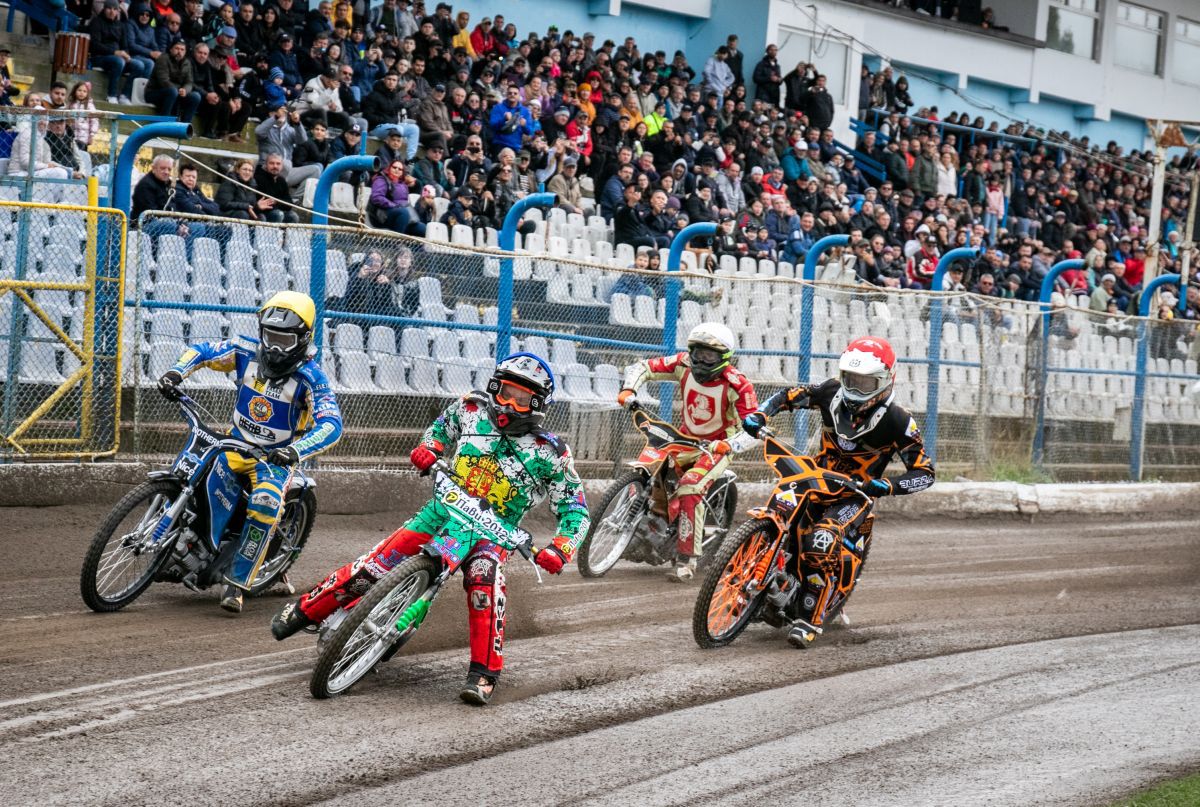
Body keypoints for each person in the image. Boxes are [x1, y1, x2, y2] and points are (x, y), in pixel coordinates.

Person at [270, 353, 590, 706]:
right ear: (494, 387)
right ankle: (304, 610)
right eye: (506, 392)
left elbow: (575, 508)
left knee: (485, 586)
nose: (510, 404)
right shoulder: (470, 408)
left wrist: (561, 548)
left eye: (523, 398)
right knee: (375, 565)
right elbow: (439, 429)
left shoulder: (551, 453)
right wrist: (428, 447)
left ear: (539, 405)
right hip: (442, 510)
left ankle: (484, 674)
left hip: (492, 535)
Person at [742, 336, 935, 648]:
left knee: (821, 540)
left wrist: (888, 486)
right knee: (778, 511)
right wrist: (761, 413)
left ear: (885, 381)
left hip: (855, 494)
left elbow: (925, 473)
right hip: (814, 477)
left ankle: (809, 617)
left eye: (864, 382)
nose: (855, 389)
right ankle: (753, 579)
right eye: (850, 379)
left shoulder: (899, 420)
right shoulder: (831, 391)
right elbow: (788, 396)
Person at [156, 291, 343, 613]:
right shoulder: (244, 352)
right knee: (191, 477)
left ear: (303, 338)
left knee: (265, 504)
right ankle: (181, 548)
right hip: (234, 444)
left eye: (283, 340)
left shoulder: (311, 378)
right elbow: (202, 351)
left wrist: (295, 451)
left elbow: (332, 424)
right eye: (269, 336)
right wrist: (176, 372)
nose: (274, 347)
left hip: (274, 460)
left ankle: (236, 583)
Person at [616, 323, 759, 581]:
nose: (701, 360)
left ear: (724, 356)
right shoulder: (683, 363)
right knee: (653, 465)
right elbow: (644, 367)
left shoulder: (738, 384)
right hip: (684, 438)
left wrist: (731, 444)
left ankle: (686, 560)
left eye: (709, 355)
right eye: (698, 352)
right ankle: (652, 521)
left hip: (717, 446)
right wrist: (629, 389)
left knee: (690, 486)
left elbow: (755, 426)